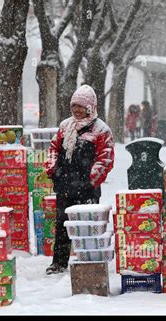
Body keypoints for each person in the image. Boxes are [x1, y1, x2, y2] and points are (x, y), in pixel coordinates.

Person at [44, 85, 115, 275]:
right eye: (74, 105)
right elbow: (52, 150)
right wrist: (53, 171)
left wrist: (90, 181)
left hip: (87, 189)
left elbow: (105, 159)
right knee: (61, 225)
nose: (76, 109)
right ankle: (58, 263)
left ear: (90, 107)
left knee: (88, 228)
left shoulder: (101, 130)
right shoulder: (65, 126)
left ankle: (90, 263)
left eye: (81, 106)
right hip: (64, 186)